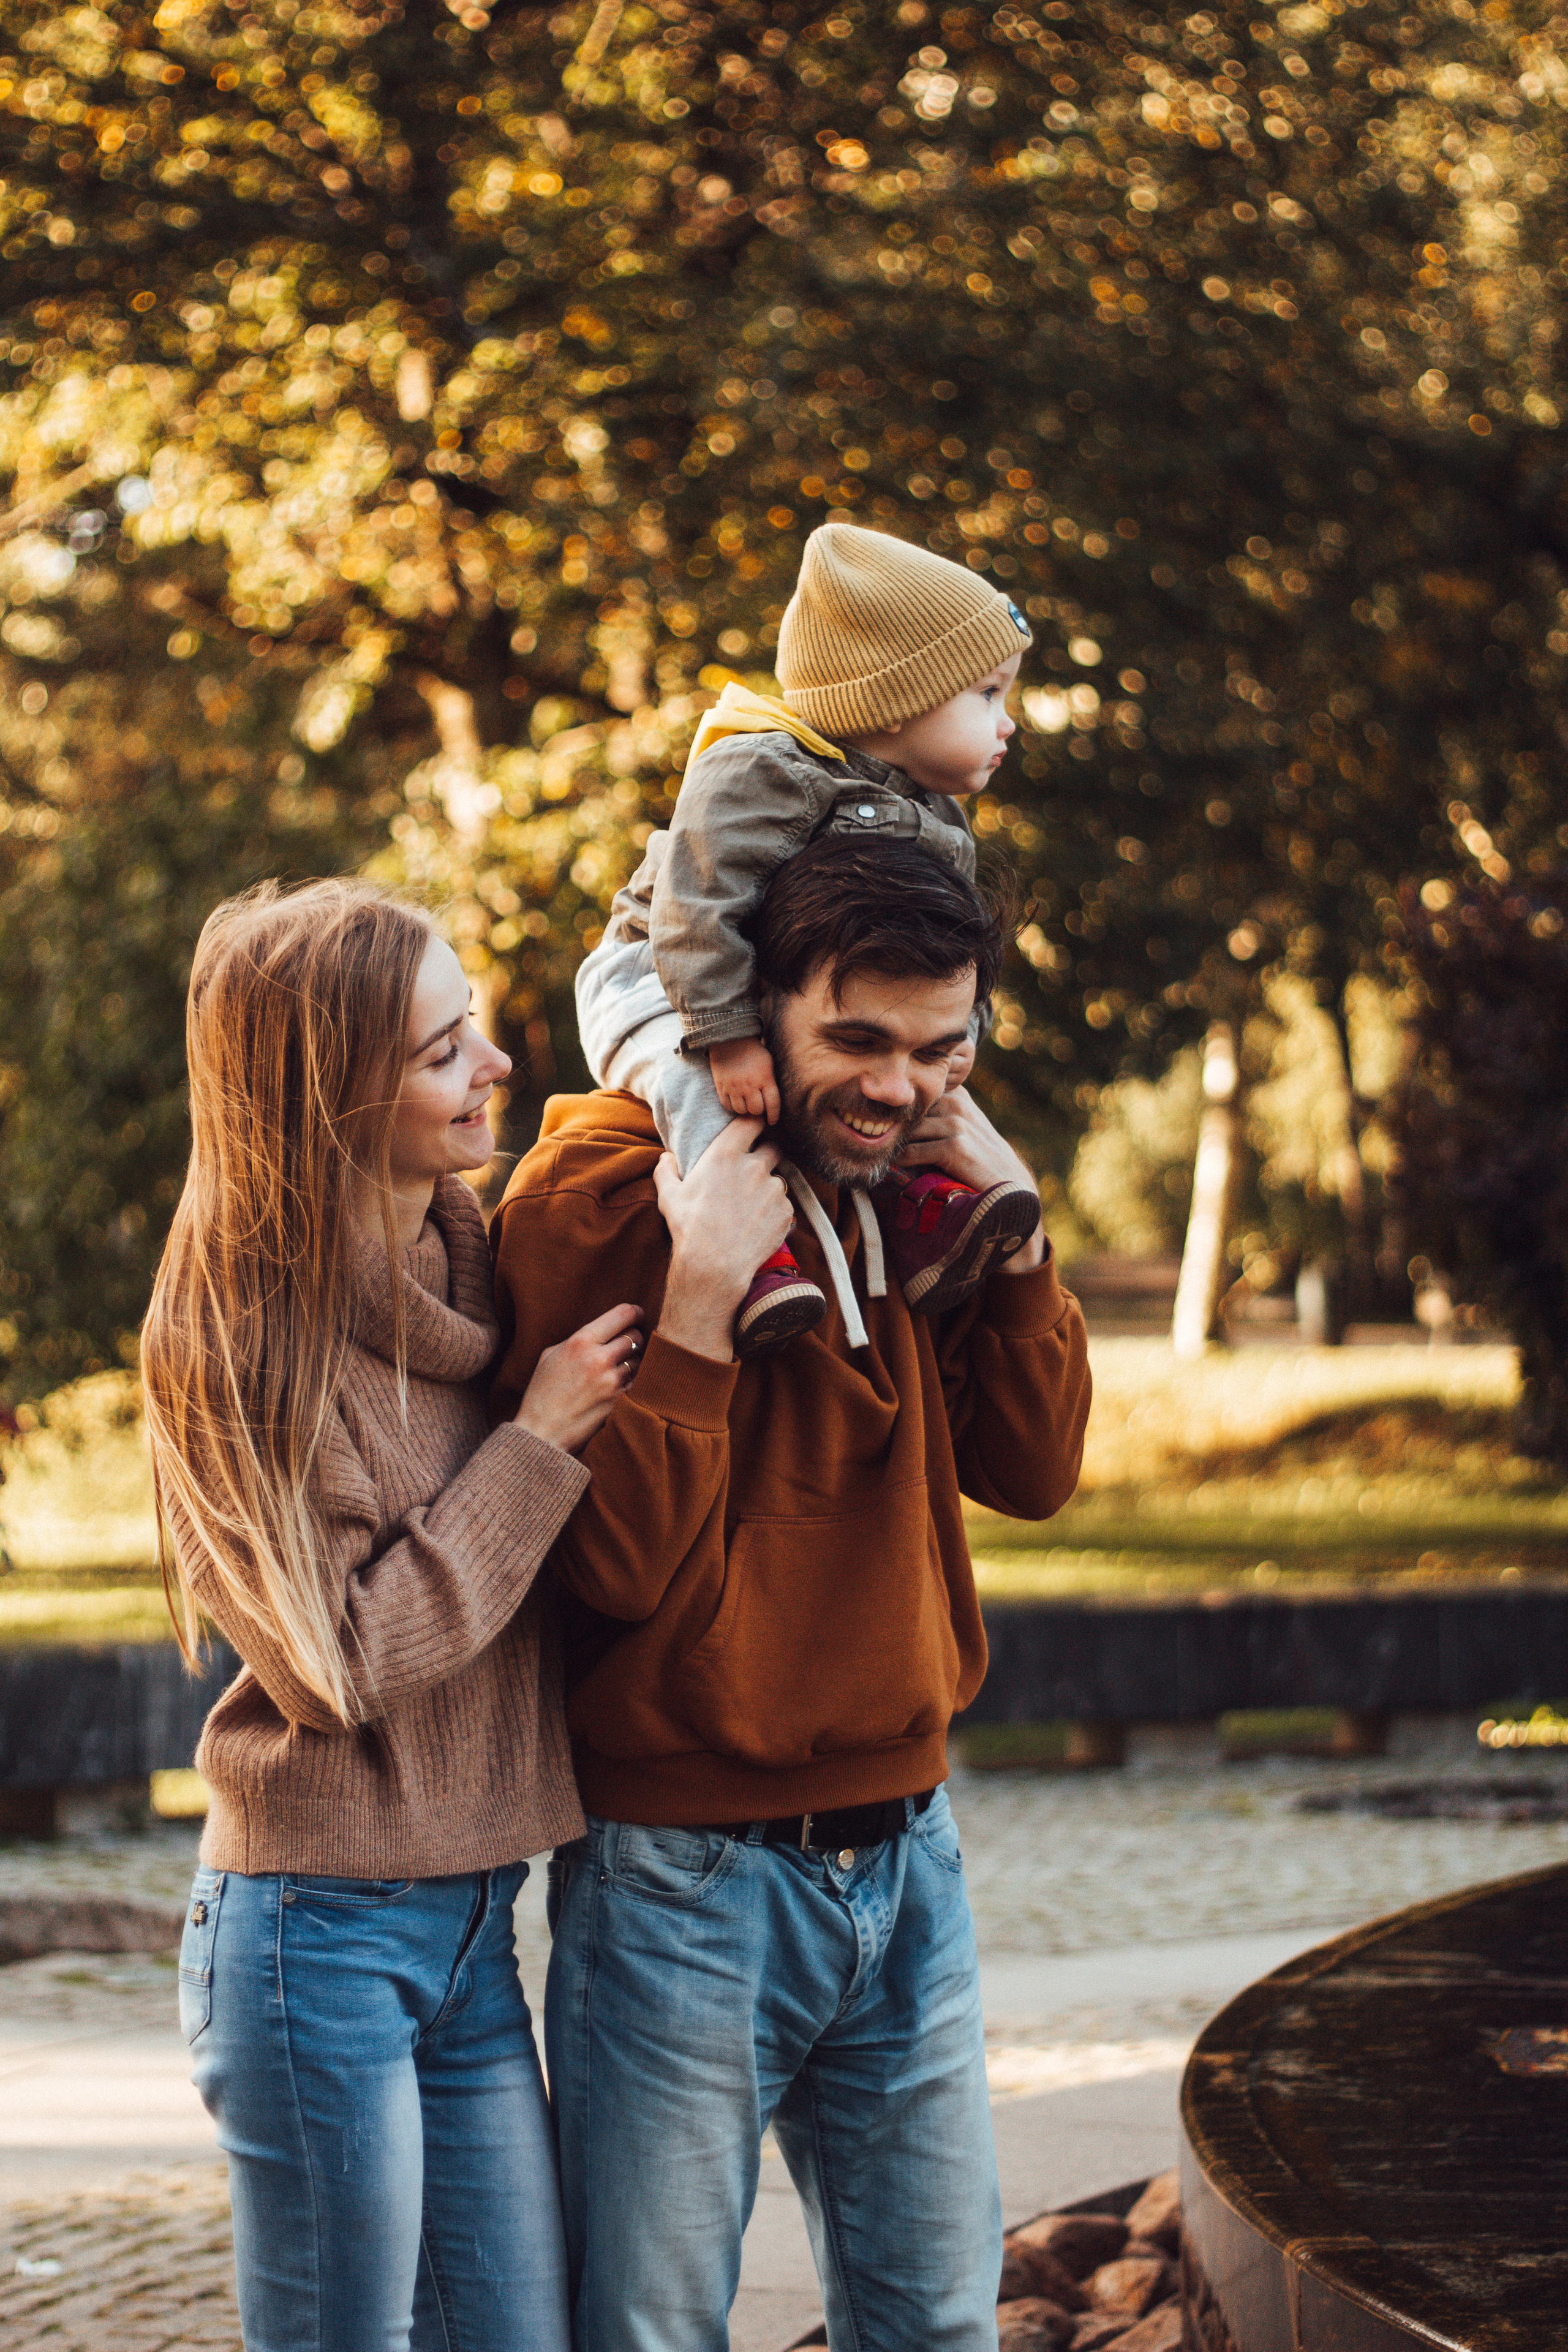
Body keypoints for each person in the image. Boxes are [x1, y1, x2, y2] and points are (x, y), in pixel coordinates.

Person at [491, 835, 1092, 2352]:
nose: (898, 1087)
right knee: (650, 2330)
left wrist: (1017, 1247)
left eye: (939, 1049)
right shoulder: (596, 1192)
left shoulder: (916, 1185)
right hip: (681, 1881)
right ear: (747, 1016)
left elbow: (1031, 1470)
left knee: (937, 2326)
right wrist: (698, 1308)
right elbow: (605, 1566)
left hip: (910, 1862)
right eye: (858, 1042)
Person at [141, 878, 645, 2352]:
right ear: (332, 1096)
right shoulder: (235, 1336)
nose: (493, 1064)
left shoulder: (478, 1257)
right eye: (442, 1050)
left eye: (471, 1025)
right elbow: (338, 1662)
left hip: (480, 1926)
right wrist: (535, 1446)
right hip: (318, 1945)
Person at [575, 521, 1042, 1355]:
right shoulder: (764, 767)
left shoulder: (941, 819)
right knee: (699, 1091)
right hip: (660, 972)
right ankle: (745, 1252)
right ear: (897, 695)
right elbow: (695, 907)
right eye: (988, 695)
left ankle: (926, 1213)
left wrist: (962, 1040)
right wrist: (728, 1038)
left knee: (904, 1085)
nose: (1008, 723)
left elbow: (945, 959)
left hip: (764, 984)